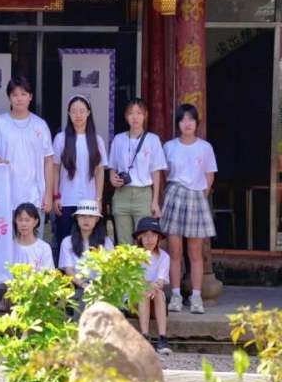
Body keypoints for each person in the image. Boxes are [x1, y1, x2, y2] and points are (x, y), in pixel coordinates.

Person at [161, 104, 217, 315]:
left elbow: (210, 175)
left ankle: (196, 297)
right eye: (182, 119)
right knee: (174, 251)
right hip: (175, 195)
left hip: (196, 197)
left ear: (196, 123)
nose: (187, 123)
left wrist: (200, 196)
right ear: (177, 123)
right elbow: (164, 173)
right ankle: (175, 295)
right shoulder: (169, 146)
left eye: (191, 119)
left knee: (195, 252)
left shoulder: (205, 147)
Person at [0, 76, 54, 225]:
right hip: (6, 197)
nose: (19, 98)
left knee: (33, 238)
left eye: (23, 94)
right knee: (8, 239)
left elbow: (48, 160)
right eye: (14, 94)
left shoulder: (40, 125)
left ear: (30, 97)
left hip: (35, 196)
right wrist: (0, 162)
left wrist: (48, 194)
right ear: (9, 97)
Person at [52, 95, 108, 261]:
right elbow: (55, 169)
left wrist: (98, 199)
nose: (78, 115)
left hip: (88, 201)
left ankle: (88, 274)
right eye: (74, 111)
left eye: (82, 111)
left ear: (88, 113)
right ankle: (65, 275)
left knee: (90, 242)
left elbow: (99, 171)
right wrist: (56, 196)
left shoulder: (97, 140)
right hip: (66, 200)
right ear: (68, 114)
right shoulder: (61, 139)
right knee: (64, 240)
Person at [108, 98, 167, 245]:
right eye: (131, 113)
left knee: (144, 242)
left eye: (139, 113)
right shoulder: (118, 139)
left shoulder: (153, 140)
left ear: (145, 115)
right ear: (126, 116)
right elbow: (112, 166)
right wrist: (112, 178)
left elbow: (156, 172)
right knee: (124, 244)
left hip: (143, 194)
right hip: (122, 194)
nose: (135, 117)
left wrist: (155, 202)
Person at [0, 202, 55, 312]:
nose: (23, 224)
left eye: (27, 220)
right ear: (15, 221)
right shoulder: (9, 246)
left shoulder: (44, 247)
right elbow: (4, 275)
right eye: (20, 220)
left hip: (37, 292)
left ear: (35, 222)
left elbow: (48, 275)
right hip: (14, 292)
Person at [58, 200, 114, 307]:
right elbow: (69, 271)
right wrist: (84, 285)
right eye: (82, 216)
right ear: (77, 218)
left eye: (91, 216)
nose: (86, 220)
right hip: (77, 286)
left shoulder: (106, 242)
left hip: (101, 287)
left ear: (97, 219)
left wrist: (99, 287)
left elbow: (110, 269)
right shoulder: (67, 241)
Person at [133, 217, 172, 355]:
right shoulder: (134, 256)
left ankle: (162, 337)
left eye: (154, 235)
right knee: (144, 292)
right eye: (146, 235)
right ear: (139, 238)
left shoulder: (164, 257)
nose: (150, 239)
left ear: (158, 238)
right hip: (136, 297)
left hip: (155, 294)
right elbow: (137, 280)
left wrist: (151, 286)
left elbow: (161, 281)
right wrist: (149, 286)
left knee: (159, 294)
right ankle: (144, 336)